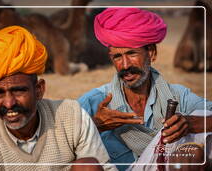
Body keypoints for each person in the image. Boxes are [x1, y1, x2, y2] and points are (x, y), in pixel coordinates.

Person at [0, 25, 117, 171]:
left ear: (39, 90)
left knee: (87, 166)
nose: (9, 103)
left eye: (18, 91)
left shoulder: (73, 116)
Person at [77, 8, 212, 170]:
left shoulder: (177, 95)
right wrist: (97, 124)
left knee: (195, 137)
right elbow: (60, 144)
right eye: (117, 57)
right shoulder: (94, 101)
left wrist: (189, 123)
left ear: (151, 53)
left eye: (132, 53)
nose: (125, 65)